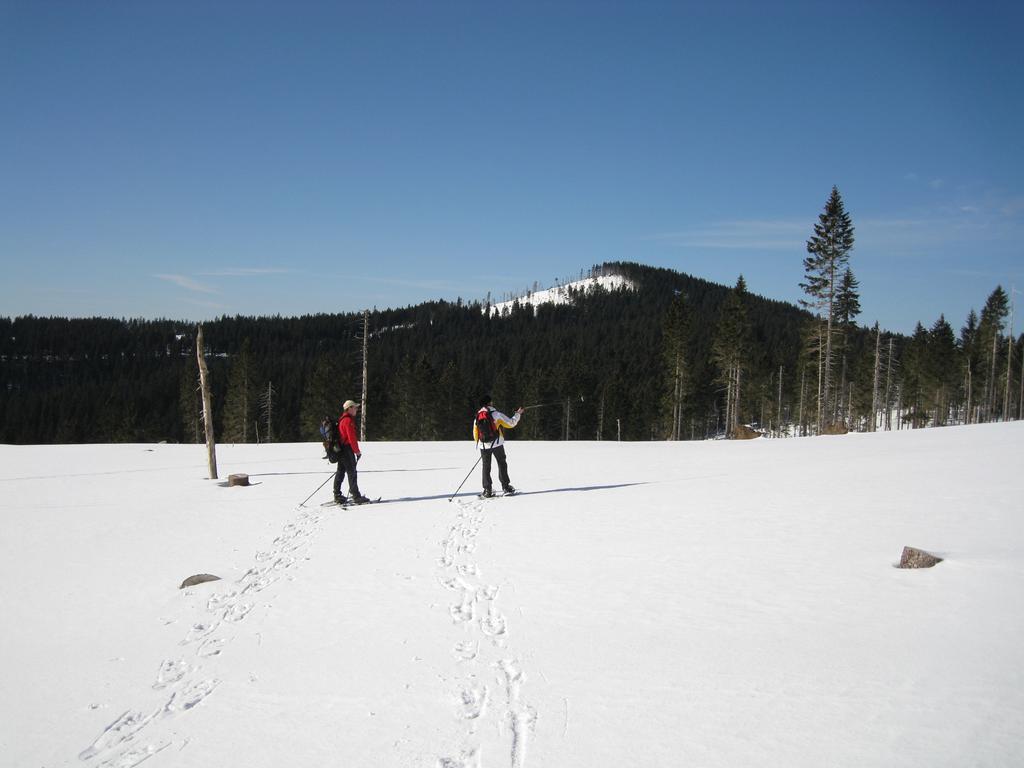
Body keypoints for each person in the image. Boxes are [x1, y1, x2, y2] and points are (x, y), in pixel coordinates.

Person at [473, 395, 524, 497]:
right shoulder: (496, 414)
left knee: (486, 467)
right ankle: (506, 487)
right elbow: (511, 423)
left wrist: (480, 445)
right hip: (497, 444)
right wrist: (518, 414)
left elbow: (475, 432)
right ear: (489, 403)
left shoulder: (477, 416)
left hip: (483, 446)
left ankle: (487, 490)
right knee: (501, 463)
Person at [333, 400, 370, 505]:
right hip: (347, 450)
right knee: (352, 472)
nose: (356, 409)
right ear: (349, 408)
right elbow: (352, 438)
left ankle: (337, 494)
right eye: (355, 407)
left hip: (341, 450)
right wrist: (357, 451)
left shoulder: (342, 419)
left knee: (340, 472)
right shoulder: (348, 421)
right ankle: (356, 496)